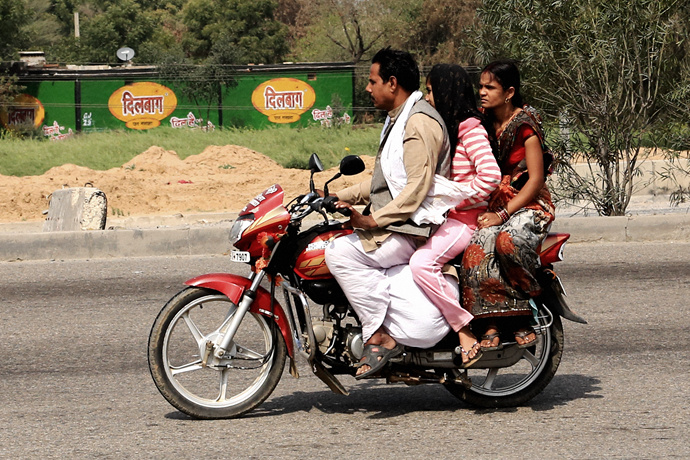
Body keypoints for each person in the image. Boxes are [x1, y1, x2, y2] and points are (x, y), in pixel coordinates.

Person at [324, 47, 452, 379]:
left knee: (338, 253)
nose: (368, 88)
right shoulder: (398, 120)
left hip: (413, 228)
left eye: (372, 80)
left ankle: (378, 336)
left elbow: (414, 191)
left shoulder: (418, 123)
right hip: (400, 223)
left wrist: (372, 220)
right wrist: (337, 194)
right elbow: (384, 182)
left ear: (392, 83)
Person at [408, 64, 501, 367]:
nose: (428, 97)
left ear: (447, 91)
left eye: (432, 90)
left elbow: (490, 176)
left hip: (465, 219)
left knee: (421, 264)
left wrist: (458, 198)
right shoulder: (454, 127)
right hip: (453, 216)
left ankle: (463, 328)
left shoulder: (469, 128)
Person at [461, 59, 555, 351]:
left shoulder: (525, 126)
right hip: (492, 205)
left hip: (528, 204)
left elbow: (536, 179)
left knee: (507, 241)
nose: (483, 92)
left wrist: (502, 213)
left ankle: (526, 309)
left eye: (490, 87)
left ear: (510, 92)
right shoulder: (482, 121)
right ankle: (489, 321)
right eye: (481, 86)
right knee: (477, 247)